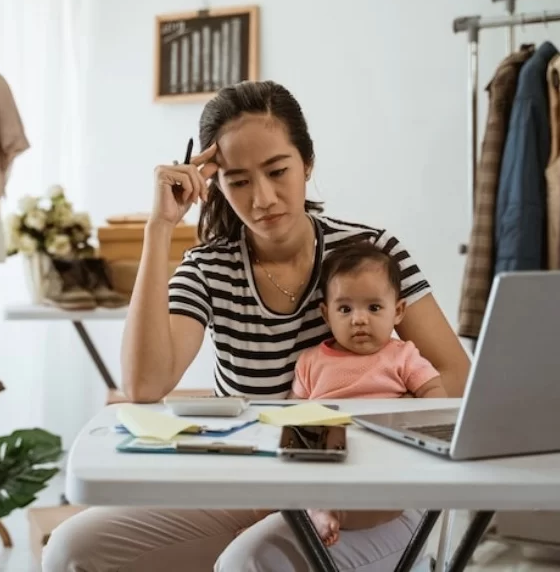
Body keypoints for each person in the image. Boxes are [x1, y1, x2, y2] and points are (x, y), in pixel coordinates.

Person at [42, 80, 470, 572]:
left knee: (249, 563)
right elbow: (143, 384)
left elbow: (455, 374)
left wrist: (362, 431)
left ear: (307, 163)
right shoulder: (208, 267)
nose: (262, 198)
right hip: (256, 485)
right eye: (239, 180)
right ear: (215, 184)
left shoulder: (373, 252)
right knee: (71, 551)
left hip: (373, 492)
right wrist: (159, 229)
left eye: (277, 171)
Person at [241, 240, 449, 549]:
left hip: (382, 460)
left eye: (374, 307)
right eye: (345, 309)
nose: (359, 319)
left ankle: (328, 512)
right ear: (326, 314)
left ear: (398, 311)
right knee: (266, 498)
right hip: (325, 457)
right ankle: (293, 516)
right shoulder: (311, 361)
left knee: (389, 501)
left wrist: (422, 417)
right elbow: (293, 414)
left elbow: (435, 392)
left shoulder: (402, 356)